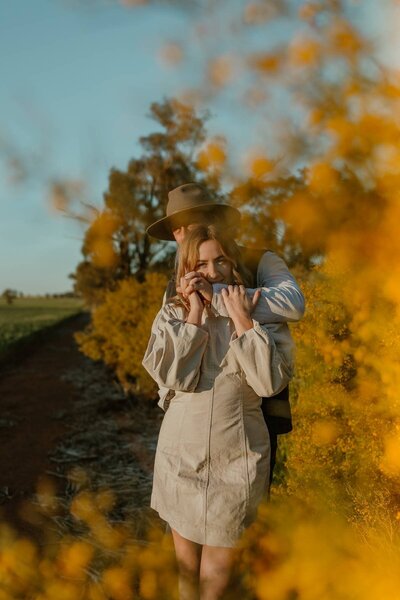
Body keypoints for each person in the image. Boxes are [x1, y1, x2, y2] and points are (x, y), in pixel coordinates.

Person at [142, 224, 294, 599]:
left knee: (217, 571)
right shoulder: (173, 312)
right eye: (202, 263)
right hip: (182, 445)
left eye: (220, 260)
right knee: (185, 569)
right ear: (188, 267)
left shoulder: (259, 309)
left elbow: (268, 383)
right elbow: (172, 375)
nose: (211, 272)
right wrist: (194, 312)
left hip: (237, 448)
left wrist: (242, 319)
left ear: (232, 262)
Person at [146, 183, 305, 486]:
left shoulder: (262, 260)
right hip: (194, 418)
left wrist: (218, 295)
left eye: (191, 224)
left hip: (258, 408)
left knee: (246, 505)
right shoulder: (177, 282)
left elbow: (294, 304)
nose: (184, 235)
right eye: (177, 230)